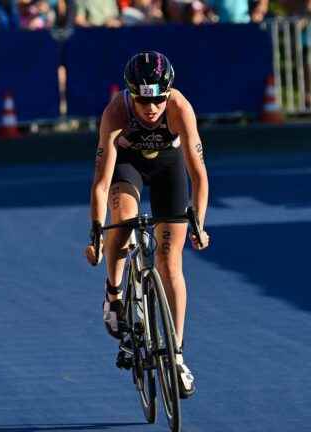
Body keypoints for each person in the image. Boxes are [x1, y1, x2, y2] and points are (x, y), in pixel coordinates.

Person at [84, 51, 210, 399]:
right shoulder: (116, 111)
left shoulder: (180, 109)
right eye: (143, 100)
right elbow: (101, 181)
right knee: (122, 219)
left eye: (158, 99)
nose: (151, 107)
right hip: (128, 165)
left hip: (168, 166)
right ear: (131, 95)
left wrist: (199, 221)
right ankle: (114, 293)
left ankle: (178, 356)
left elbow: (198, 175)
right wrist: (96, 229)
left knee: (170, 261)